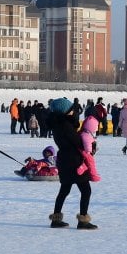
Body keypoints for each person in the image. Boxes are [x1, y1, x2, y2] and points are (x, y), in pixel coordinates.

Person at [46, 97, 98, 230]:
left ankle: (56, 219)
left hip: (64, 160)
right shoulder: (65, 125)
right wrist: (89, 143)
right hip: (73, 161)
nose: (73, 112)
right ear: (64, 112)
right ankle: (83, 221)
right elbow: (78, 142)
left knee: (64, 190)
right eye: (70, 110)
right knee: (85, 190)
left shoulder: (58, 124)